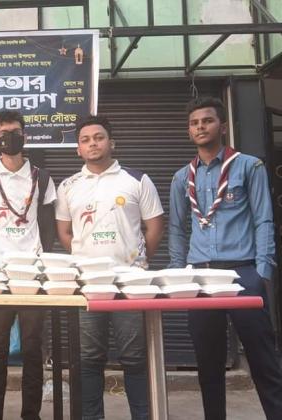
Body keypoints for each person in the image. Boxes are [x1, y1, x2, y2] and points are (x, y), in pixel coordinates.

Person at [168, 96, 282, 420]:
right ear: (189, 131)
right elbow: (176, 228)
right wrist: (178, 274)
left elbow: (264, 220)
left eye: (207, 120)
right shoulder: (182, 177)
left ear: (223, 126)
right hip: (201, 277)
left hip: (242, 273)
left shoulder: (249, 166)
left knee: (263, 359)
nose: (200, 127)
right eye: (194, 123)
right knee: (208, 364)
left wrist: (262, 273)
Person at [56, 115, 164, 420]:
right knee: (89, 358)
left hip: (130, 284)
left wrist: (137, 262)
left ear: (111, 142)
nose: (93, 144)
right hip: (89, 285)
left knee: (135, 357)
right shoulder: (68, 186)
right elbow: (65, 232)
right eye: (85, 140)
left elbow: (155, 227)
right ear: (78, 149)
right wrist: (87, 261)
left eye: (99, 137)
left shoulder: (136, 180)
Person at [0, 109, 57, 420]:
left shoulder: (42, 177)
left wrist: (36, 260)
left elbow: (48, 227)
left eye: (16, 133)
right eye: (4, 135)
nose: (10, 138)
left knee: (33, 347)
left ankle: (30, 414)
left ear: (25, 136)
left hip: (31, 274)